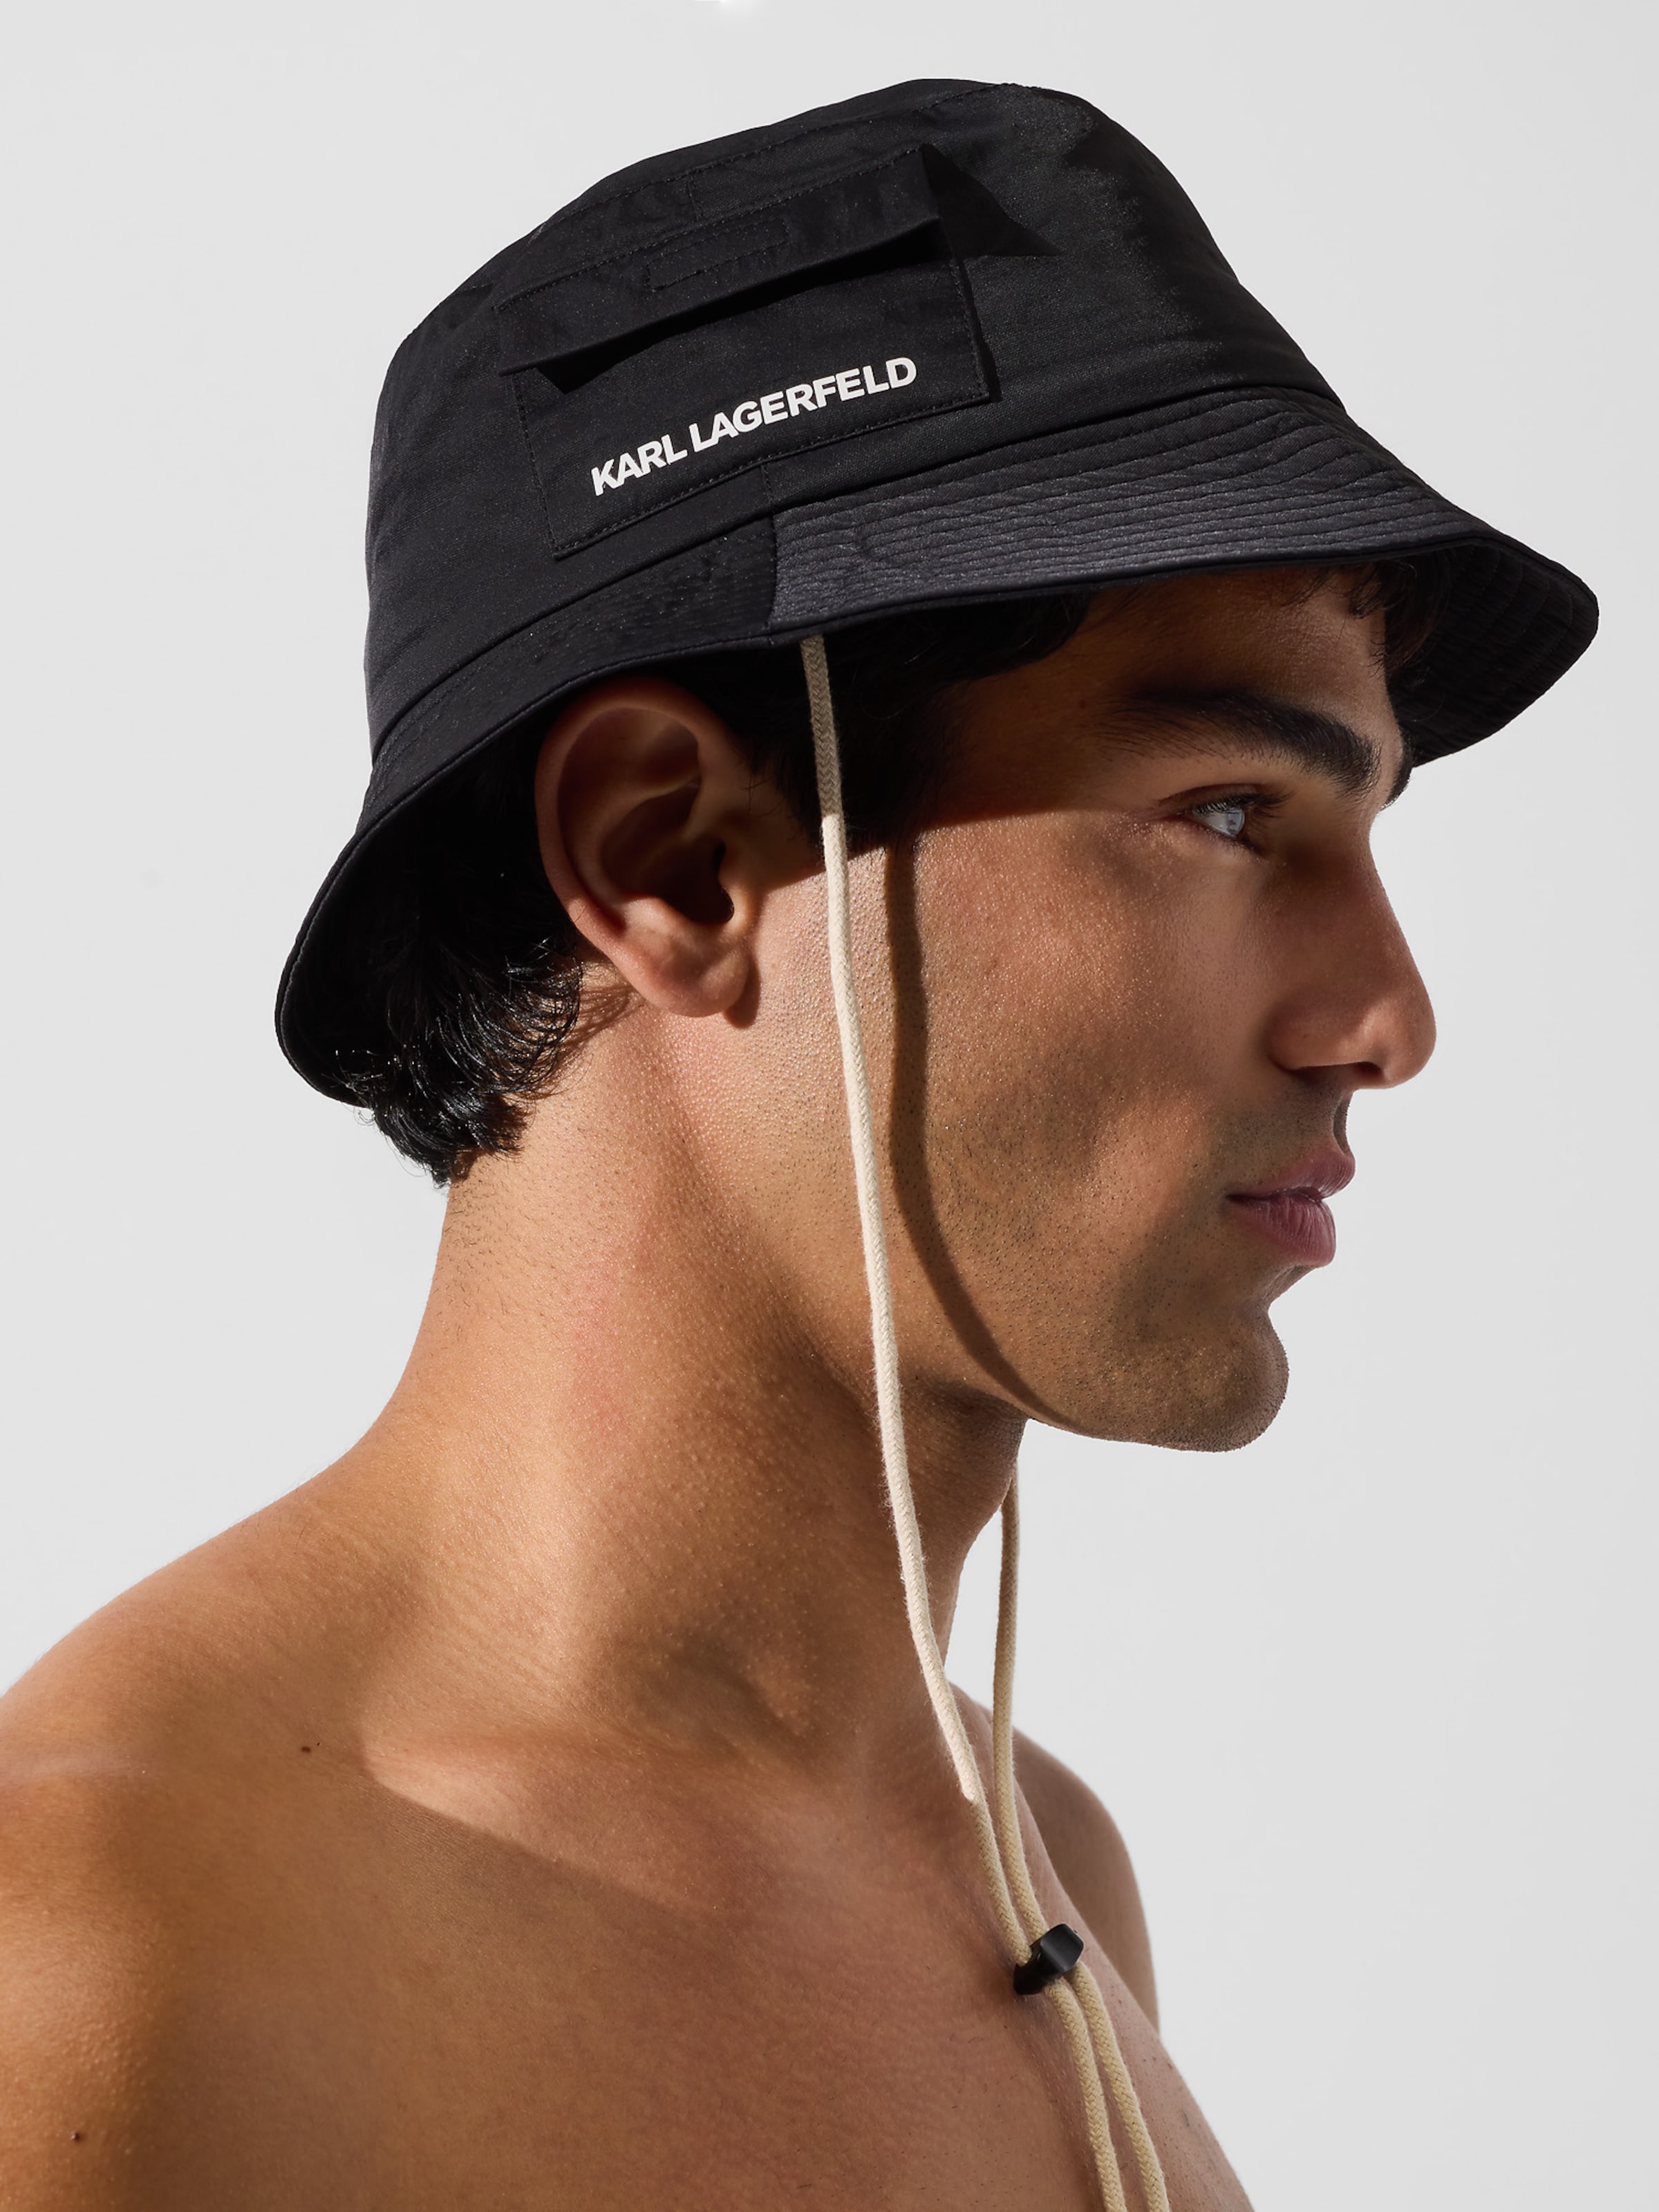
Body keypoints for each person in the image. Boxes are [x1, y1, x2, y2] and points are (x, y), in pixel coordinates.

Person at [0, 78, 1593, 2212]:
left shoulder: (1040, 1878)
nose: (1385, 1018)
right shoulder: (95, 1967)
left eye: (1364, 833)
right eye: (1232, 816)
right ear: (672, 859)